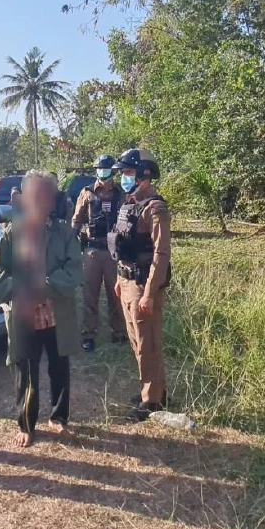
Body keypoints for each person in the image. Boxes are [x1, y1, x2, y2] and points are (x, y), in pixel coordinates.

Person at [0, 171, 83, 447]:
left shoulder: (64, 232)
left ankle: (59, 419)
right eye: (34, 196)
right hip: (25, 315)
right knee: (26, 370)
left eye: (46, 195)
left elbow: (74, 270)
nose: (40, 201)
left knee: (59, 367)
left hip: (57, 313)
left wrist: (44, 286)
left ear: (53, 200)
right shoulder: (11, 233)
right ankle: (26, 424)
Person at [109, 148, 172, 420]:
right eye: (123, 172)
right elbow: (123, 247)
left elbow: (161, 254)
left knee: (149, 344)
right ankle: (154, 390)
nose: (123, 177)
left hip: (144, 285)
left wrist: (149, 293)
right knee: (137, 342)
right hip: (127, 281)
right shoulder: (129, 203)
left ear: (145, 176)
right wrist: (118, 279)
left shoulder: (155, 208)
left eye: (128, 172)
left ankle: (152, 402)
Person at [70, 154, 126, 352]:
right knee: (90, 295)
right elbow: (76, 220)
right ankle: (89, 334)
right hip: (92, 250)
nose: (103, 172)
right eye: (100, 168)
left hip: (112, 252)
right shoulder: (87, 193)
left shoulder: (120, 194)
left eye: (106, 168)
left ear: (113, 170)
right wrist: (72, 239)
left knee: (115, 294)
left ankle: (119, 332)